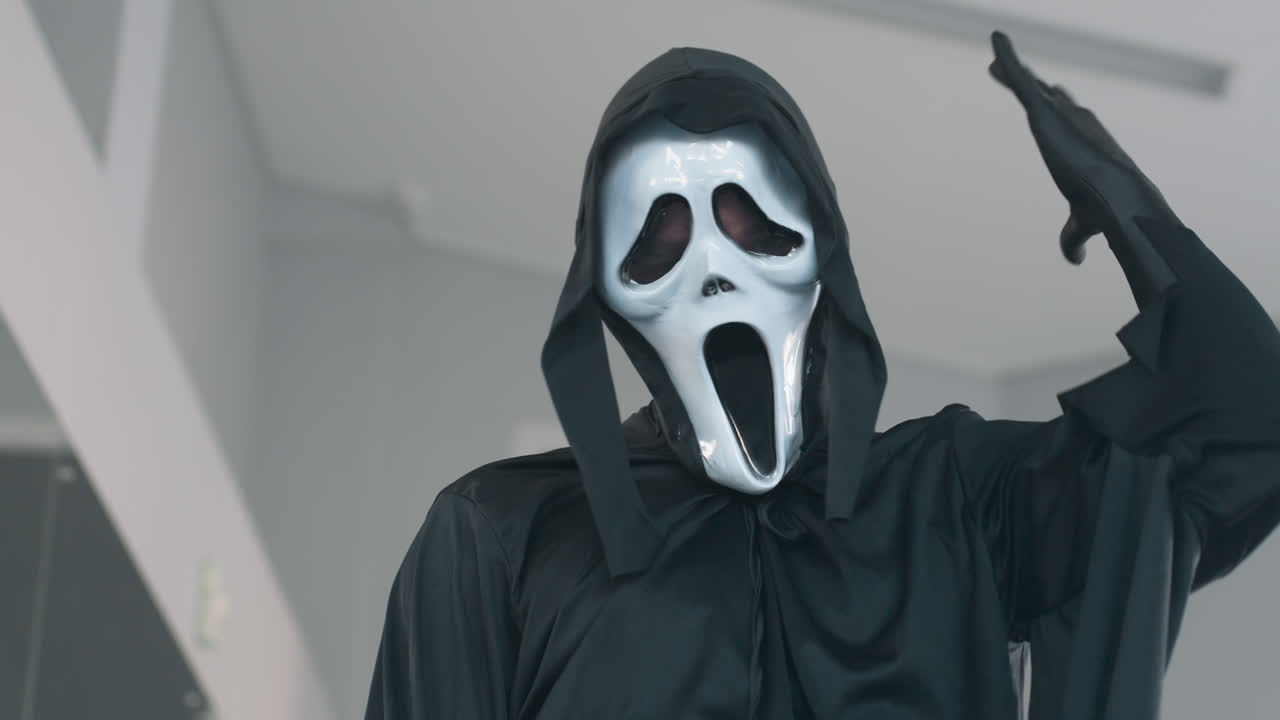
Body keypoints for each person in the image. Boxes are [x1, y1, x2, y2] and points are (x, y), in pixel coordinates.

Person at [365, 32, 1280, 719]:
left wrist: (1137, 215)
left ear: (823, 257)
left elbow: (1243, 427)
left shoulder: (957, 504)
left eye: (753, 221)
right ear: (602, 289)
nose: (716, 272)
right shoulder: (500, 534)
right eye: (660, 239)